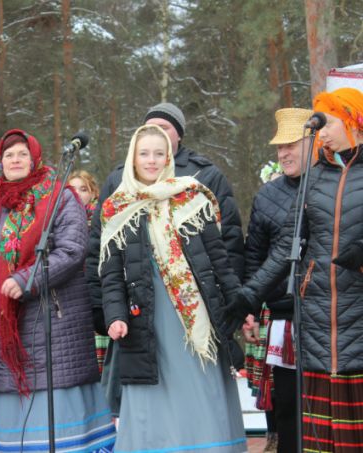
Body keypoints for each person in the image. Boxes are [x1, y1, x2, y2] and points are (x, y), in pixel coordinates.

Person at [0, 129, 116, 452]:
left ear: (35, 158)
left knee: (60, 433)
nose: (15, 160)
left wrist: (26, 279)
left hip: (55, 327)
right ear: (1, 162)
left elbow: (72, 251)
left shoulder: (59, 197)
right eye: (9, 154)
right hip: (7, 336)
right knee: (18, 433)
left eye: (22, 154)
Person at [226, 87, 363, 452]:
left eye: (329, 123)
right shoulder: (315, 178)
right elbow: (284, 249)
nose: (322, 134)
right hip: (316, 328)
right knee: (318, 439)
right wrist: (248, 296)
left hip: (358, 324)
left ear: (353, 121)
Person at [100, 124, 246, 452]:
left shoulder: (192, 197)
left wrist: (239, 303)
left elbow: (219, 259)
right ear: (132, 158)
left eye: (159, 153)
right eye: (144, 153)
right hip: (144, 319)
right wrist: (115, 316)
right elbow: (111, 274)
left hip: (195, 317)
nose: (151, 160)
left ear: (169, 157)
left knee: (199, 390)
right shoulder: (116, 207)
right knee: (153, 398)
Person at [243, 108, 312, 453]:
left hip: (329, 316)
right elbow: (254, 255)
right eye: (279, 147)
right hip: (283, 316)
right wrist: (250, 310)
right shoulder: (267, 196)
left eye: (291, 145)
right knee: (286, 405)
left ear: (313, 144)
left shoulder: (335, 185)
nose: (283, 153)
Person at [69, 170, 110, 375]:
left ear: (93, 193)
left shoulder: (103, 220)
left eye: (83, 189)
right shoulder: (59, 223)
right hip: (72, 298)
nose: (77, 194)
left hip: (97, 294)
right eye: (72, 189)